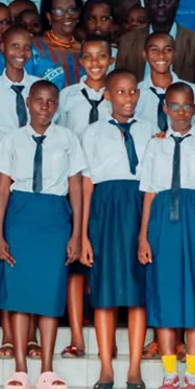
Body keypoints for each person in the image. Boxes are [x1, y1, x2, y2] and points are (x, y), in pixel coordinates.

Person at [0, 81, 84, 389]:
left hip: (54, 215)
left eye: (51, 101)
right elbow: (2, 188)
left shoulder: (68, 139)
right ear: (28, 102)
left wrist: (77, 232)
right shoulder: (12, 140)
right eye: (39, 101)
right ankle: (20, 369)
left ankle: (46, 369)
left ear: (57, 105)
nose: (45, 107)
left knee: (49, 294)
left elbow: (75, 188)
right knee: (18, 295)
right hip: (20, 214)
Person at [138, 83, 195, 389]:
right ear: (164, 108)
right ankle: (168, 373)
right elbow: (148, 192)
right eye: (174, 106)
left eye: (186, 106)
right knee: (163, 293)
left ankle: (191, 373)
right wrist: (143, 237)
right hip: (162, 218)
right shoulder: (155, 145)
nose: (180, 112)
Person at [80, 71, 151, 389]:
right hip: (105, 210)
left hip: (139, 208)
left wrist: (146, 230)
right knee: (105, 293)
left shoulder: (152, 131)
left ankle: (134, 368)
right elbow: (87, 184)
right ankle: (106, 367)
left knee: (138, 293)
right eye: (120, 92)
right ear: (108, 95)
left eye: (133, 91)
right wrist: (82, 234)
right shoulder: (92, 133)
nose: (128, 98)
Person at [55, 37, 112, 358]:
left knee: (108, 258)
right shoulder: (66, 98)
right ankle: (77, 335)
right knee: (75, 261)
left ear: (111, 59)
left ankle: (111, 331)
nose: (95, 63)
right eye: (88, 57)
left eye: (101, 56)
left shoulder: (120, 95)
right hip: (73, 187)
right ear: (79, 61)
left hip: (106, 189)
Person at [114, 0, 195, 83]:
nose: (161, 5)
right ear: (146, 3)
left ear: (177, 4)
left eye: (168, 0)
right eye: (155, 0)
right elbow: (119, 82)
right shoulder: (128, 41)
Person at [27, 0, 84, 89]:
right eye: (58, 11)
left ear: (79, 13)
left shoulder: (85, 51)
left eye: (71, 9)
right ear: (49, 16)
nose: (67, 15)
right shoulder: (33, 48)